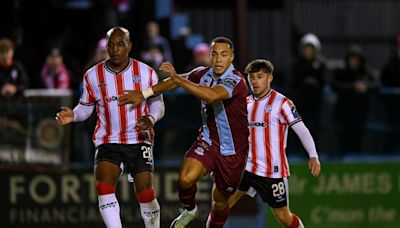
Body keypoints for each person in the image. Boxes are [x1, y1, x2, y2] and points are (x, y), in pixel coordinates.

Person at [119, 37, 249, 228]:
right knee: (185, 179)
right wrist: (144, 94)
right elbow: (173, 83)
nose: (218, 59)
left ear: (231, 57)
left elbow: (211, 95)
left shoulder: (236, 80)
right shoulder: (203, 74)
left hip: (233, 151)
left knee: (220, 204)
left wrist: (178, 79)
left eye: (224, 55)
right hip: (209, 140)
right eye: (214, 54)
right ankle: (190, 210)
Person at [55, 27, 164, 228]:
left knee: (146, 192)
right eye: (111, 45)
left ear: (129, 46)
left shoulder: (146, 72)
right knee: (103, 186)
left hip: (139, 138)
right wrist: (74, 115)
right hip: (108, 140)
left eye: (120, 44)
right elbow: (85, 109)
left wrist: (151, 117)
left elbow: (158, 104)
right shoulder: (92, 75)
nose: (115, 49)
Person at [227, 59, 321, 228]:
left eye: (260, 77)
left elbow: (302, 130)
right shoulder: (244, 103)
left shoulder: (282, 103)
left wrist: (313, 155)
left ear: (269, 78)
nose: (255, 81)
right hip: (246, 169)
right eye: (252, 77)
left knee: (284, 218)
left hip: (272, 172)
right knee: (221, 205)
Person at [331, 44, 380, 154]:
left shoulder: (366, 73)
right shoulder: (342, 73)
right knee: (343, 142)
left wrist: (365, 86)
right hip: (343, 115)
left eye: (357, 59)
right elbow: (334, 84)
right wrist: (353, 87)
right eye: (352, 59)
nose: (354, 62)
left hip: (361, 115)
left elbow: (377, 84)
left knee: (359, 142)